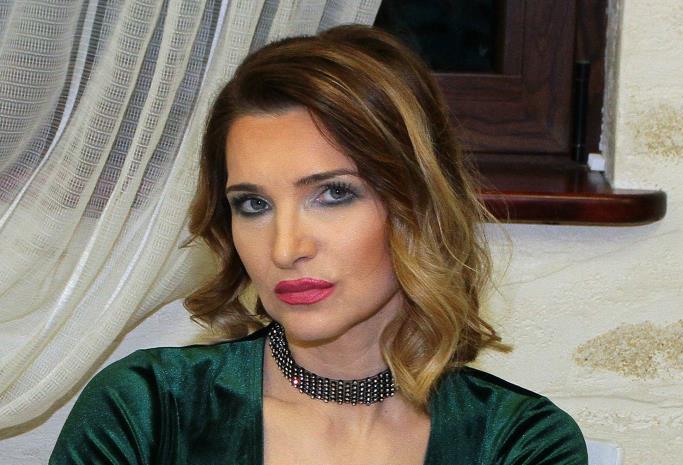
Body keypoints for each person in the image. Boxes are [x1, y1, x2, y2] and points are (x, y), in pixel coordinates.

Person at [49, 25, 588, 464]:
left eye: (333, 194)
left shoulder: (518, 444)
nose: (285, 249)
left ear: (418, 206)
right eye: (253, 204)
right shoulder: (147, 410)